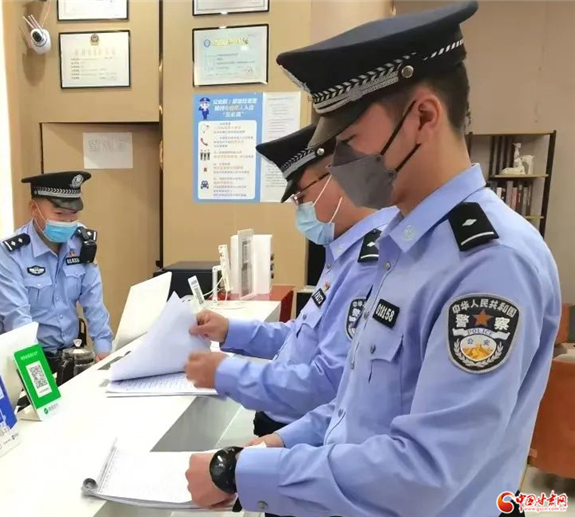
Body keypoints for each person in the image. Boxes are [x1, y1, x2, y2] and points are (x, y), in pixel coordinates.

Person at [185, 3, 561, 516]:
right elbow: (356, 409)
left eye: (349, 143)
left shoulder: (490, 264)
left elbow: (425, 472)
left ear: (423, 117)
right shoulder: (403, 247)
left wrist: (244, 473)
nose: (341, 167)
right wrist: (275, 446)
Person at [185, 124, 397, 443]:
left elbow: (328, 383)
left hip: (306, 438)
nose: (300, 210)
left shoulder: (370, 263)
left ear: (336, 179)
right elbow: (303, 337)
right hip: (288, 428)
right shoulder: (344, 251)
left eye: (301, 196)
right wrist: (230, 331)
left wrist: (227, 373)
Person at [0, 171, 113, 376]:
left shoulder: (81, 242)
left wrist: (104, 350)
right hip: (26, 359)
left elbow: (94, 301)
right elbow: (17, 319)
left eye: (73, 214)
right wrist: (39, 375)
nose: (68, 221)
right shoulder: (10, 253)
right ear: (34, 209)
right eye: (59, 214)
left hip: (71, 355)